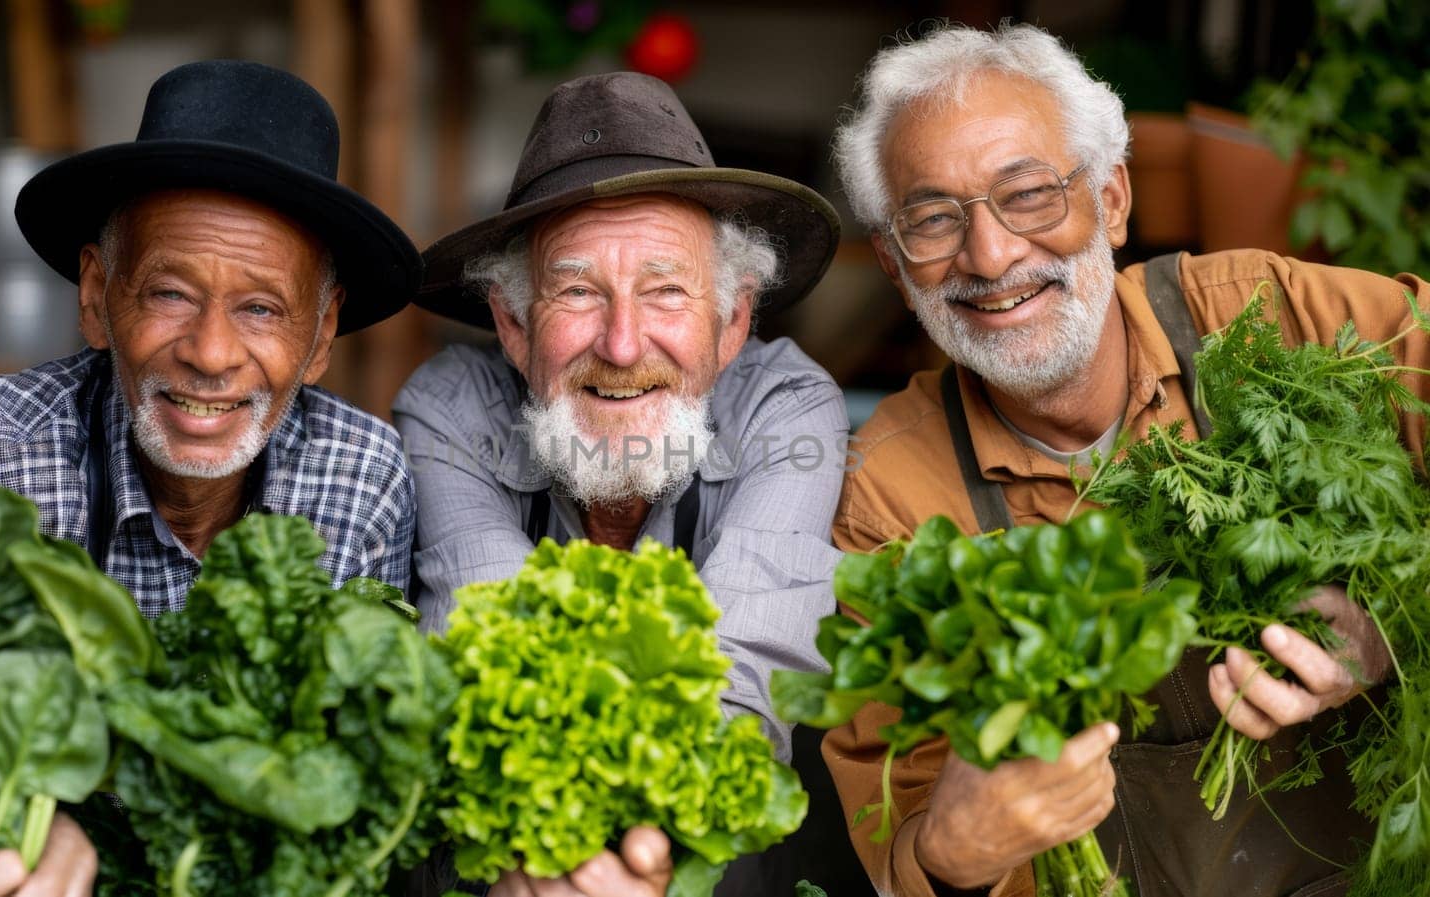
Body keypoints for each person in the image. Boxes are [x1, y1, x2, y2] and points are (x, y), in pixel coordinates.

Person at [823, 22, 1428, 897]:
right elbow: (902, 842)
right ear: (892, 262)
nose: (990, 257)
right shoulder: (892, 496)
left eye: (1028, 194)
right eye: (932, 220)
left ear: (1110, 200)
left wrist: (1392, 624)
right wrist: (951, 853)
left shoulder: (1277, 319)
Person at [0, 60, 421, 897]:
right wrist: (19, 804)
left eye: (261, 308)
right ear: (98, 296)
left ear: (321, 339)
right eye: (169, 292)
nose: (210, 353)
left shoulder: (364, 478)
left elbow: (357, 778)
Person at [394, 72, 849, 896]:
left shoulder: (789, 407)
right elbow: (486, 651)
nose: (623, 341)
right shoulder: (448, 410)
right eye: (577, 291)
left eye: (667, 289)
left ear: (734, 320)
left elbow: (745, 678)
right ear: (513, 323)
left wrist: (622, 863)